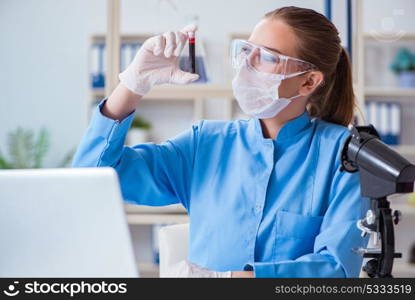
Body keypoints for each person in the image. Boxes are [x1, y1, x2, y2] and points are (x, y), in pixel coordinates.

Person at [72, 6, 369, 278]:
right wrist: (132, 85)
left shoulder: (345, 155)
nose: (247, 64)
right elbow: (93, 178)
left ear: (308, 81)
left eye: (266, 57)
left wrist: (230, 281)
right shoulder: (206, 143)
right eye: (246, 50)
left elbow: (336, 269)